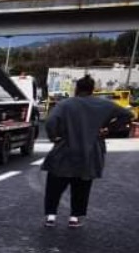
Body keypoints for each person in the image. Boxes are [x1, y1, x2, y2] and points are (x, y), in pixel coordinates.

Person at [41, 75, 133, 228]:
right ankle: (74, 218)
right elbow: (128, 115)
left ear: (77, 88)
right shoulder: (105, 104)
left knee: (55, 184)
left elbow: (51, 121)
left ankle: (51, 216)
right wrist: (108, 129)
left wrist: (54, 137)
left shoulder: (65, 104)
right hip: (90, 151)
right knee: (82, 186)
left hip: (65, 150)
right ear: (92, 90)